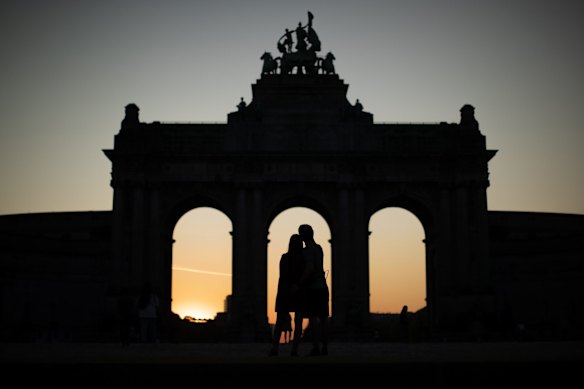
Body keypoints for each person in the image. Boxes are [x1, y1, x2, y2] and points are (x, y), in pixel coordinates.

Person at [292, 224, 329, 356]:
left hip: (313, 288)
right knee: (323, 318)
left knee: (313, 319)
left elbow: (310, 268)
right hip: (323, 286)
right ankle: (324, 347)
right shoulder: (319, 248)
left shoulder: (306, 252)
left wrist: (299, 284)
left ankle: (316, 348)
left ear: (302, 236)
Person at [270, 234, 304, 356]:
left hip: (284, 291)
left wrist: (289, 287)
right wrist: (297, 285)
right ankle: (294, 350)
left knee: (279, 321)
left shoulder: (285, 257)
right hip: (299, 291)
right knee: (298, 321)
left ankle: (275, 349)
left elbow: (282, 276)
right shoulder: (303, 258)